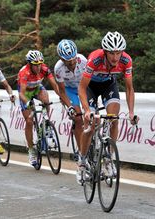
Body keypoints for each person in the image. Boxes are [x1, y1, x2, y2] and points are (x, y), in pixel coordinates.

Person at [78, 31, 137, 184]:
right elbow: (82, 88)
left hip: (108, 86)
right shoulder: (95, 60)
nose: (115, 57)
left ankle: (108, 159)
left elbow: (130, 89)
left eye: (118, 52)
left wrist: (131, 113)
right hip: (90, 87)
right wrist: (87, 110)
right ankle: (82, 161)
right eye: (111, 53)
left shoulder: (126, 60)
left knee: (114, 118)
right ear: (105, 51)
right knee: (90, 126)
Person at [18, 50, 61, 166]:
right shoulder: (24, 73)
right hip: (25, 93)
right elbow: (21, 93)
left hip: (37, 88)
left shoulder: (44, 69)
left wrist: (61, 96)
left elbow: (55, 85)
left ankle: (46, 123)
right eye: (35, 65)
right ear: (29, 64)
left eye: (40, 64)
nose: (38, 67)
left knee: (46, 100)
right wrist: (27, 103)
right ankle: (31, 150)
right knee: (29, 121)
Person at [54, 39, 87, 159]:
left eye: (73, 58)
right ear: (62, 59)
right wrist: (70, 107)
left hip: (84, 87)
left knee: (94, 116)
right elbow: (62, 91)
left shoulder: (83, 60)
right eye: (68, 60)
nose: (72, 62)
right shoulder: (58, 68)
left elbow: (91, 81)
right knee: (78, 118)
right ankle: (81, 153)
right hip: (70, 91)